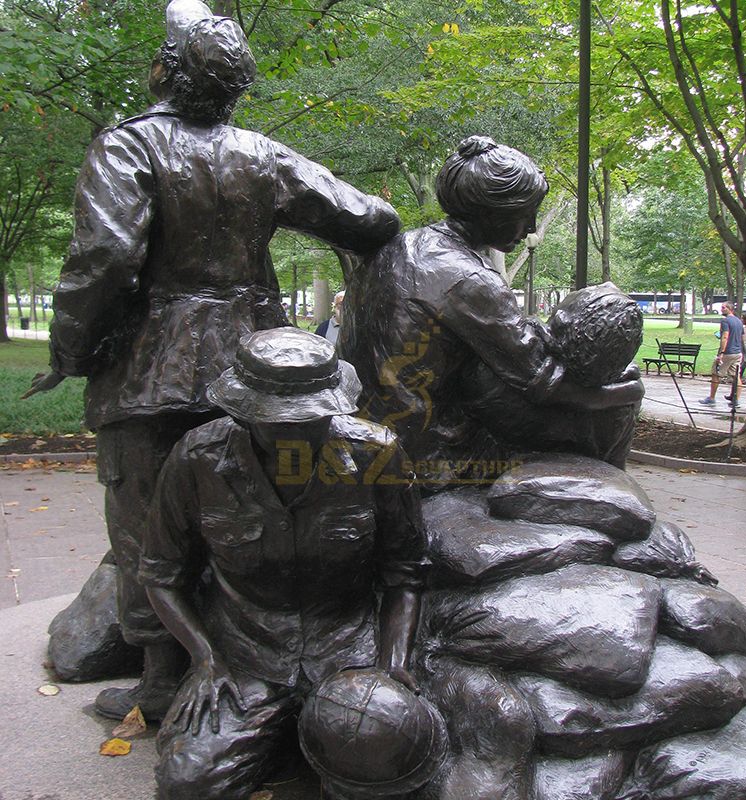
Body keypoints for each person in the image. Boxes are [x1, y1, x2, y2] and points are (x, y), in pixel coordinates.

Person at [24, 0, 400, 721]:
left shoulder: (127, 148)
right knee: (247, 511)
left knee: (145, 522)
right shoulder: (264, 155)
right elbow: (372, 220)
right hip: (259, 374)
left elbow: (104, 257)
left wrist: (72, 350)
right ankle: (261, 670)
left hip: (151, 368)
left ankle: (165, 680)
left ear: (164, 70)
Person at [137, 328, 427, 800]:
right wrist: (206, 658)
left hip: (347, 648)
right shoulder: (197, 458)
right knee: (189, 783)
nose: (295, 432)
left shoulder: (377, 453)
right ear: (246, 411)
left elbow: (405, 571)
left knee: (385, 769)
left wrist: (391, 664)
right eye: (278, 421)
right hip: (245, 654)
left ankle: (308, 741)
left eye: (308, 420)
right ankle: (280, 736)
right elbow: (161, 575)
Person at [339, 136, 643, 487]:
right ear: (490, 213)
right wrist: (624, 394)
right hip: (427, 456)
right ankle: (608, 494)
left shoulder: (400, 247)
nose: (530, 228)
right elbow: (543, 381)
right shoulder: (470, 278)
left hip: (365, 433)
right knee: (617, 397)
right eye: (523, 215)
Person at [700, 301, 744, 408]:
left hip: (727, 353)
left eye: (724, 307)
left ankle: (711, 398)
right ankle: (736, 400)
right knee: (736, 376)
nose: (722, 309)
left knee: (716, 373)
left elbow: (725, 336)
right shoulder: (739, 321)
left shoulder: (725, 321)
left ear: (730, 309)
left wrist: (721, 353)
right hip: (737, 353)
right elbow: (742, 337)